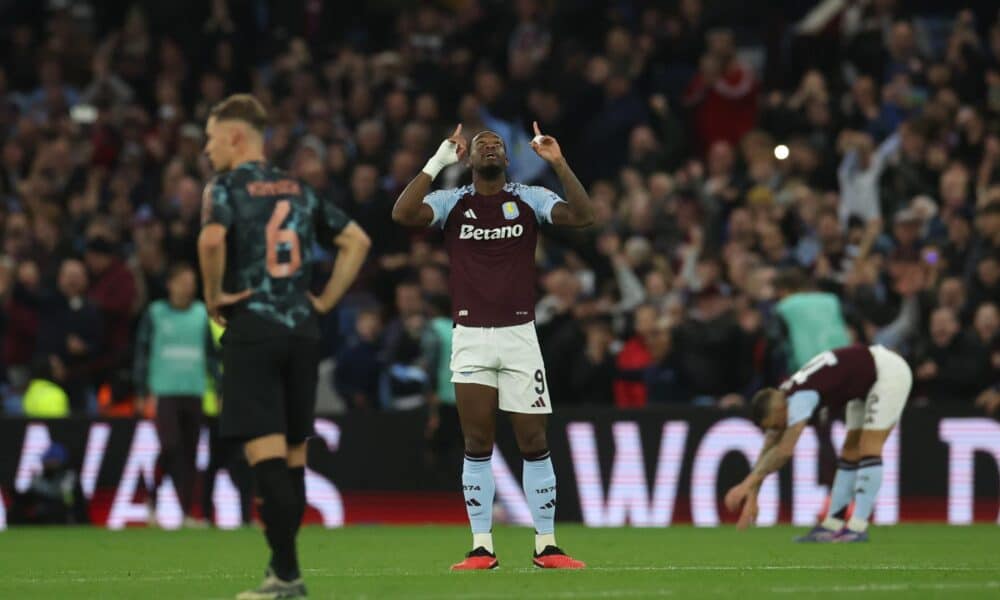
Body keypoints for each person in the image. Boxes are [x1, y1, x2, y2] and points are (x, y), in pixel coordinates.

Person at [392, 122, 593, 570]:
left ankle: (547, 546)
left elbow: (583, 216)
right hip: (471, 337)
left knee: (534, 440)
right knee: (477, 441)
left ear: (506, 159)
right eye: (482, 144)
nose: (490, 147)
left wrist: (558, 163)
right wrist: (437, 160)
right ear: (468, 159)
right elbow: (402, 215)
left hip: (521, 335)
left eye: (497, 144)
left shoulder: (529, 198)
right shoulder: (452, 202)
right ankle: (482, 547)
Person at [198, 94, 370, 599]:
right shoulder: (298, 190)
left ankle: (287, 576)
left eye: (211, 138)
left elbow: (211, 242)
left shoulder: (226, 187)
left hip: (254, 326)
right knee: (293, 457)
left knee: (266, 459)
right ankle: (283, 572)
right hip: (302, 332)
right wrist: (324, 301)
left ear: (235, 136)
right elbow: (356, 240)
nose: (207, 150)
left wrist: (214, 298)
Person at [724, 344, 912, 543]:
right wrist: (753, 493)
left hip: (888, 373)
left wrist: (745, 485)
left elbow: (784, 451)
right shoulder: (784, 396)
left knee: (869, 447)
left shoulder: (800, 398)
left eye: (776, 425)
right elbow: (768, 447)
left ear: (779, 409)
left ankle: (857, 527)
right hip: (864, 380)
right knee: (849, 450)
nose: (778, 429)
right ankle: (833, 524)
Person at [133, 263, 215, 526]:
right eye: (183, 281)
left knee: (190, 453)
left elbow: (211, 355)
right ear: (170, 284)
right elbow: (142, 352)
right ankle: (153, 500)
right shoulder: (155, 313)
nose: (188, 287)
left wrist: (221, 387)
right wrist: (141, 389)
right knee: (170, 447)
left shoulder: (202, 314)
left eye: (191, 282)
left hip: (194, 390)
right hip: (164, 391)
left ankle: (187, 512)